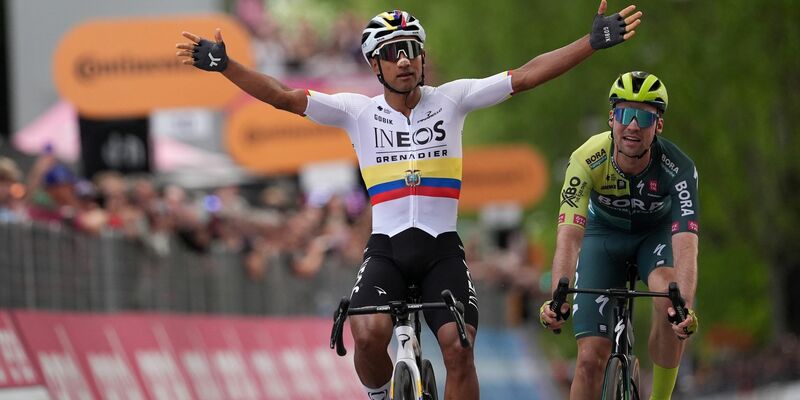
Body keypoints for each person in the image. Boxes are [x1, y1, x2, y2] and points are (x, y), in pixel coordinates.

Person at [177, 2, 642, 398]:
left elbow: (524, 77)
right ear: (375, 66)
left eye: (412, 51)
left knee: (459, 349)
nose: (405, 60)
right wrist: (226, 66)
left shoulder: (452, 100)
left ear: (422, 59)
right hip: (388, 250)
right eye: (392, 53)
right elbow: (282, 96)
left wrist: (589, 43)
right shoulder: (357, 112)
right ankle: (380, 393)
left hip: (441, 249)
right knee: (367, 332)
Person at [539, 71, 699, 400]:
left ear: (659, 126)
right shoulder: (586, 159)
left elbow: (686, 247)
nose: (633, 126)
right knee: (587, 361)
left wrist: (686, 307)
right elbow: (568, 238)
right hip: (603, 236)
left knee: (670, 301)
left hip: (653, 236)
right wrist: (557, 298)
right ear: (612, 117)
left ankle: (661, 397)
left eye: (645, 117)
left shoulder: (679, 168)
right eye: (626, 114)